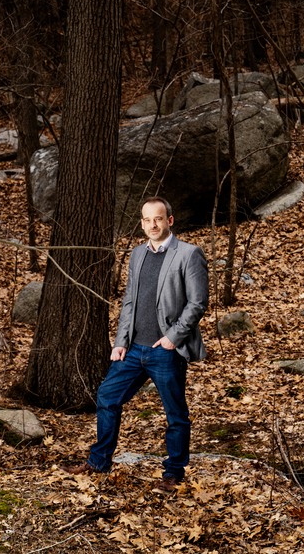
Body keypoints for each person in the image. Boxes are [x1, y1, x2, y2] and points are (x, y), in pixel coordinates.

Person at [64, 196, 209, 492]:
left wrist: (172, 338)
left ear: (169, 220)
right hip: (132, 350)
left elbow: (198, 303)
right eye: (146, 220)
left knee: (175, 413)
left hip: (165, 351)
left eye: (157, 218)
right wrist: (120, 342)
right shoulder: (137, 254)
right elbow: (129, 301)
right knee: (107, 396)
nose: (151, 225)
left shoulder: (189, 254)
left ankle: (173, 473)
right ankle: (99, 461)